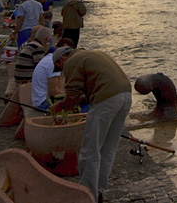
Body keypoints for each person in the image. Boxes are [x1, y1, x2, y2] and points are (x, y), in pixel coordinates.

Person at [52, 49, 132, 203]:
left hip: (107, 100)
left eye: (60, 67)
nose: (62, 71)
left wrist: (58, 107)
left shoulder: (71, 62)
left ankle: (87, 195)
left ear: (62, 58)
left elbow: (72, 97)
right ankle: (99, 191)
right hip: (126, 96)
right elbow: (91, 89)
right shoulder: (91, 54)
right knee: (108, 149)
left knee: (90, 150)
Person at [31, 43, 72, 110]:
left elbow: (60, 82)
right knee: (84, 103)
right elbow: (52, 92)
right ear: (63, 58)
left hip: (42, 99)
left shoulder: (51, 58)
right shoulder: (52, 63)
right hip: (43, 103)